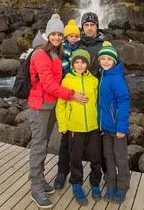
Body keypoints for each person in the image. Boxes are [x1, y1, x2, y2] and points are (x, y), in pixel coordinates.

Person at [28, 14, 89, 209]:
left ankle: (40, 181)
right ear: (47, 34)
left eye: (59, 34)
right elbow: (48, 84)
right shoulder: (40, 54)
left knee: (43, 144)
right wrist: (71, 95)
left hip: (51, 105)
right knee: (38, 146)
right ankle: (36, 187)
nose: (56, 37)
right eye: (53, 34)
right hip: (40, 107)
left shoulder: (56, 52)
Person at [54, 11, 108, 190]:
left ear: (97, 26)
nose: (90, 28)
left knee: (97, 141)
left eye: (93, 25)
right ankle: (62, 171)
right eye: (86, 25)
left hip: (94, 92)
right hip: (73, 92)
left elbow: (113, 65)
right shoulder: (75, 43)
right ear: (82, 28)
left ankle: (104, 175)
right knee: (66, 139)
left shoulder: (104, 44)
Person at [55, 49, 102, 205]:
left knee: (96, 157)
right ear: (72, 64)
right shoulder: (67, 80)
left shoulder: (94, 80)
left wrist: (101, 122)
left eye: (83, 62)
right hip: (75, 127)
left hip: (94, 127)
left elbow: (98, 103)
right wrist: (63, 125)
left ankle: (95, 184)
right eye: (76, 62)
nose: (80, 65)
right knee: (75, 158)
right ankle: (76, 184)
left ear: (88, 64)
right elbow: (60, 105)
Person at [97, 42, 130, 203]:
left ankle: (122, 187)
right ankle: (111, 184)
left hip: (117, 128)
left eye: (109, 59)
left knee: (121, 158)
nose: (105, 61)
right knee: (108, 157)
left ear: (114, 61)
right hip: (105, 128)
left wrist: (122, 127)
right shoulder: (102, 75)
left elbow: (124, 102)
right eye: (102, 58)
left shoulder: (116, 78)